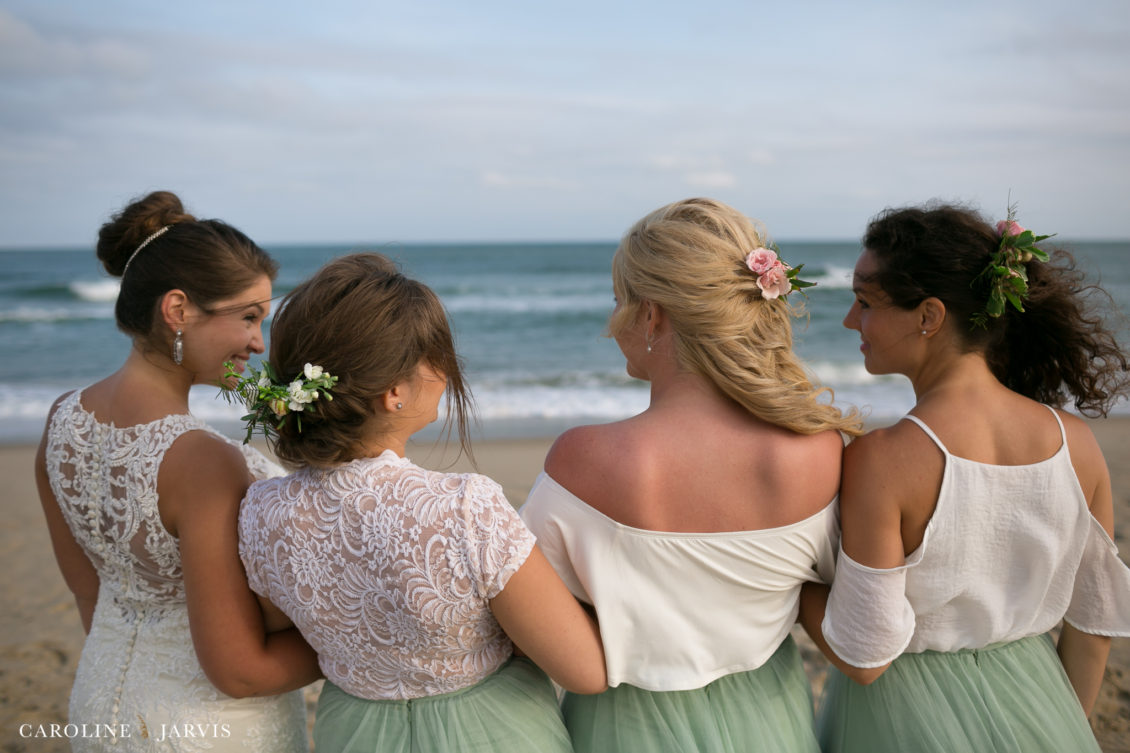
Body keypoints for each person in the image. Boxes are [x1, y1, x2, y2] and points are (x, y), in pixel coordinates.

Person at [518, 197, 864, 752]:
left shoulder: (583, 459)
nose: (612, 326)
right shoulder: (819, 450)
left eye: (618, 303)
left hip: (626, 729)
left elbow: (528, 615)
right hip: (769, 721)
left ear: (652, 314)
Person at [233, 252, 606, 753]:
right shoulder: (463, 507)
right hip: (487, 730)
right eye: (438, 358)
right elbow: (583, 671)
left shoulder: (260, 512)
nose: (448, 374)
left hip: (352, 732)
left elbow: (292, 627)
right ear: (394, 393)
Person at [798, 202, 1130, 752]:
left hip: (906, 719)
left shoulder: (884, 458)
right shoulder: (1078, 442)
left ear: (929, 316)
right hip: (1039, 701)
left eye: (865, 302)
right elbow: (1094, 628)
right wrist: (1062, 727)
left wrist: (791, 582)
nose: (849, 321)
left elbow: (866, 657)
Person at [34, 191, 320, 752]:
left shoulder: (61, 418)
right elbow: (238, 672)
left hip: (98, 705)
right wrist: (356, 644)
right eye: (247, 317)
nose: (258, 343)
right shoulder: (202, 459)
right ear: (179, 310)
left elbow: (91, 597)